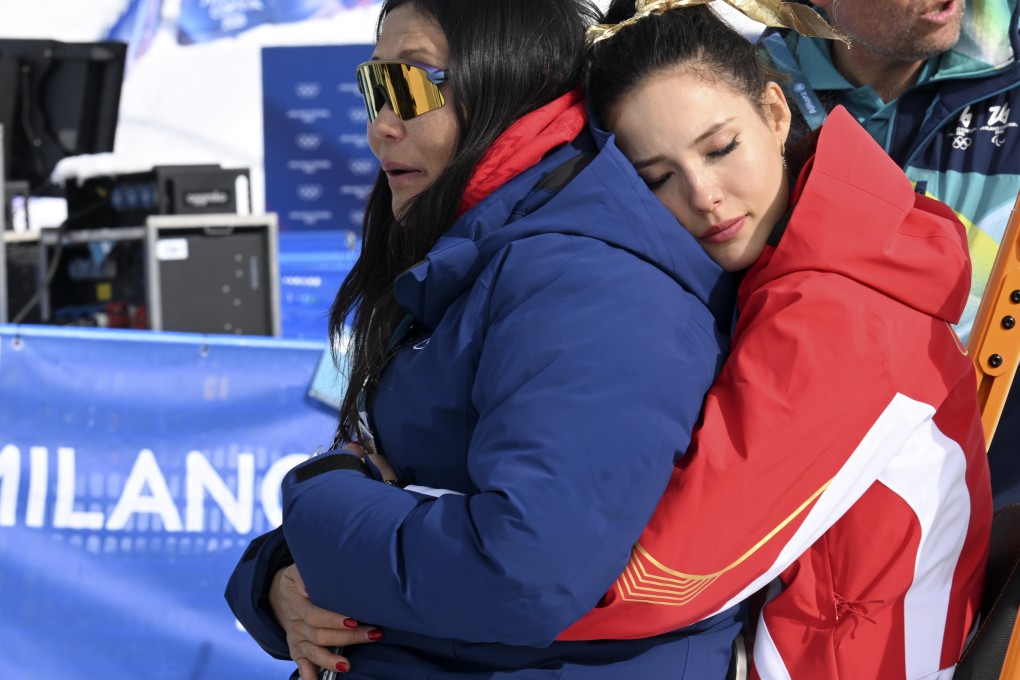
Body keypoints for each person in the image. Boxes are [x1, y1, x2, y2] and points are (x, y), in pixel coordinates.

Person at [225, 0, 744, 677]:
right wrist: (277, 575)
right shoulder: (486, 250)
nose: (381, 127)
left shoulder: (584, 279)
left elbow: (523, 573)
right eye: (372, 88)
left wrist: (317, 501)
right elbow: (415, 489)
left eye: (409, 86)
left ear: (507, 75)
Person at [553, 2, 994, 679]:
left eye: (720, 148)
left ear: (777, 113)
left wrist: (381, 586)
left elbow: (665, 579)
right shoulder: (822, 256)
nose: (704, 196)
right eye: (657, 179)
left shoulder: (840, 314)